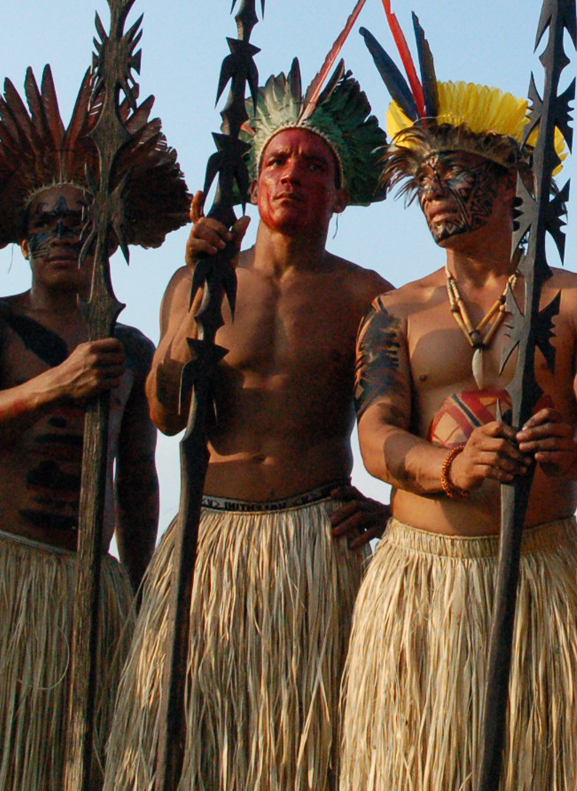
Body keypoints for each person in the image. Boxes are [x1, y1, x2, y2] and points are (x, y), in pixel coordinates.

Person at [0, 66, 186, 790]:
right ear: (22, 239)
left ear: (107, 239)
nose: (62, 234)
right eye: (46, 222)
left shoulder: (135, 348)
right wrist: (58, 383)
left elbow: (137, 478)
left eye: (80, 222)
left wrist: (143, 590)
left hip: (86, 586)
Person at [105, 60, 392, 791]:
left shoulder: (368, 297)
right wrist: (196, 296)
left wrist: (392, 511)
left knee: (303, 754)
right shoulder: (196, 279)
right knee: (184, 749)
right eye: (277, 161)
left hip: (313, 547)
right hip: (212, 543)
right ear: (255, 183)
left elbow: (404, 425)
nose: (293, 174)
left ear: (341, 190)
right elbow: (167, 413)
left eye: (314, 165)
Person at [338, 24, 577, 791]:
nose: (434, 189)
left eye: (454, 173)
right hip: (424, 584)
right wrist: (450, 466)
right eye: (423, 176)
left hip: (544, 574)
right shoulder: (396, 311)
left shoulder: (576, 301)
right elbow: (376, 435)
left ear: (513, 181)